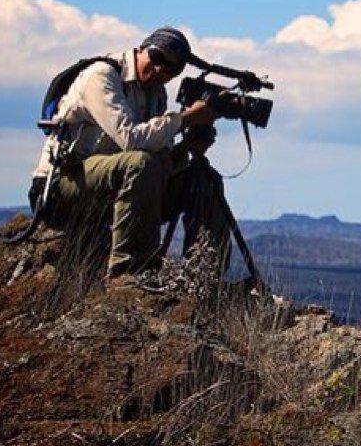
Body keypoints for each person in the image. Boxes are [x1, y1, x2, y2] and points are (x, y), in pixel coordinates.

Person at [30, 27, 230, 287]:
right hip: (63, 184)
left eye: (171, 70)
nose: (160, 70)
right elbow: (131, 140)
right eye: (156, 58)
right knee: (140, 163)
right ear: (141, 49)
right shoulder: (102, 75)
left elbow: (158, 161)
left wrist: (186, 148)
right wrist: (184, 118)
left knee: (202, 177)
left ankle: (205, 274)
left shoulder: (155, 93)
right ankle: (129, 271)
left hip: (112, 185)